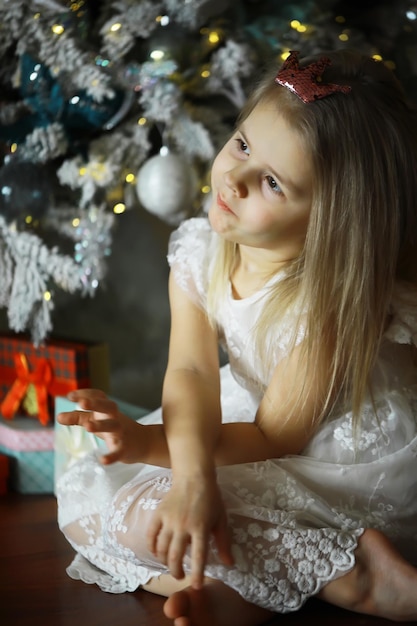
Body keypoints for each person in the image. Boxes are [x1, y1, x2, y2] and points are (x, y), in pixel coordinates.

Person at [56, 48, 417, 626]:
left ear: (330, 219)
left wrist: (169, 463)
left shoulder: (326, 309)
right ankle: (238, 590)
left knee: (168, 508)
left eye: (272, 181)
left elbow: (275, 437)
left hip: (338, 451)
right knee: (82, 501)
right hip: (248, 419)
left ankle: (361, 576)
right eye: (243, 145)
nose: (236, 178)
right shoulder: (201, 252)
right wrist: (182, 475)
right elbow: (192, 373)